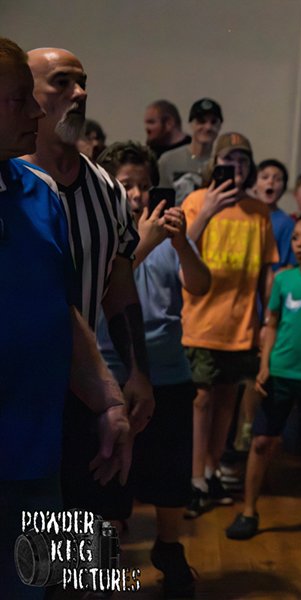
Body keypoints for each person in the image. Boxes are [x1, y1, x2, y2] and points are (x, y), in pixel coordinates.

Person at [0, 36, 130, 599]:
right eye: (19, 100)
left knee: (46, 582)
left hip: (36, 451)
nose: (35, 113)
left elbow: (64, 308)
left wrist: (110, 399)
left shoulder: (41, 195)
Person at [24, 46, 153, 521]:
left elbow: (118, 287)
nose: (78, 93)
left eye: (82, 83)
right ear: (24, 95)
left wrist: (137, 371)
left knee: (87, 529)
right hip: (19, 389)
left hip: (84, 385)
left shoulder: (108, 190)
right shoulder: (10, 185)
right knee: (27, 534)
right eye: (61, 82)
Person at [95, 141, 211, 597]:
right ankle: (103, 560)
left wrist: (181, 244)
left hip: (169, 372)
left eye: (144, 185)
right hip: (111, 373)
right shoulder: (99, 234)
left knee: (170, 471)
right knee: (108, 474)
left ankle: (168, 546)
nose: (138, 194)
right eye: (127, 185)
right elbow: (106, 286)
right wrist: (145, 239)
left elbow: (200, 285)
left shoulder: (167, 237)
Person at [226, 213, 301, 544]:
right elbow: (272, 324)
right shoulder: (283, 280)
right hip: (279, 374)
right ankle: (248, 512)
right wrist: (264, 365)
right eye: (295, 237)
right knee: (261, 442)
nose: (299, 244)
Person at [180, 132, 279, 518]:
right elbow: (181, 248)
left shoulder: (259, 211)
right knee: (200, 400)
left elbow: (266, 272)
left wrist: (267, 320)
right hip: (201, 321)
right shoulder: (195, 201)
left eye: (242, 160)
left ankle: (211, 470)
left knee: (226, 401)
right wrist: (208, 210)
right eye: (228, 160)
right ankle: (194, 480)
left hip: (241, 323)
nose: (236, 167)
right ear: (215, 164)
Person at [158, 97, 223, 204]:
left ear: (220, 126)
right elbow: (161, 202)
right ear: (191, 124)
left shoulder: (223, 161)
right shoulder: (168, 161)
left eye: (213, 122)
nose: (208, 127)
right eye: (201, 121)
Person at [256, 158, 297, 270]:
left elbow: (290, 264)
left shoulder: (287, 223)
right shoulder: (244, 217)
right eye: (265, 177)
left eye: (278, 179)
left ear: (283, 188)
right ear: (254, 184)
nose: (270, 182)